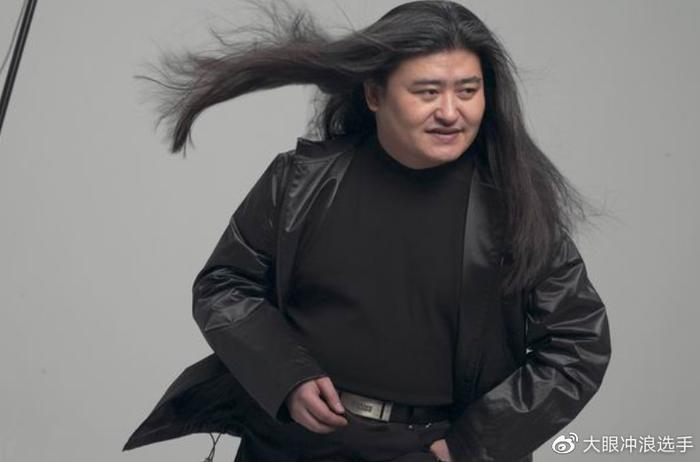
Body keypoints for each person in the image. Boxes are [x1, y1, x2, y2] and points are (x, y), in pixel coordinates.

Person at [123, 1, 612, 461]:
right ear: (375, 93)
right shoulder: (299, 181)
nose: (450, 111)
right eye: (427, 92)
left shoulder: (513, 205)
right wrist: (285, 377)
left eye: (467, 91)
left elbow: (579, 343)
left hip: (430, 451)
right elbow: (224, 285)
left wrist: (473, 444)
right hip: (290, 445)